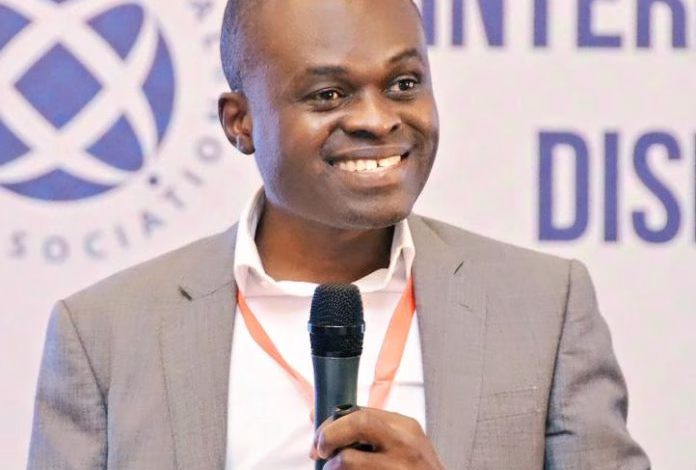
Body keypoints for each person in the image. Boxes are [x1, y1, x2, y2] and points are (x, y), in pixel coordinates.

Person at [28, 0, 651, 468]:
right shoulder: (105, 334)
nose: (378, 120)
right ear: (240, 122)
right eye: (328, 94)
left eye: (403, 84)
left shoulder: (543, 305)